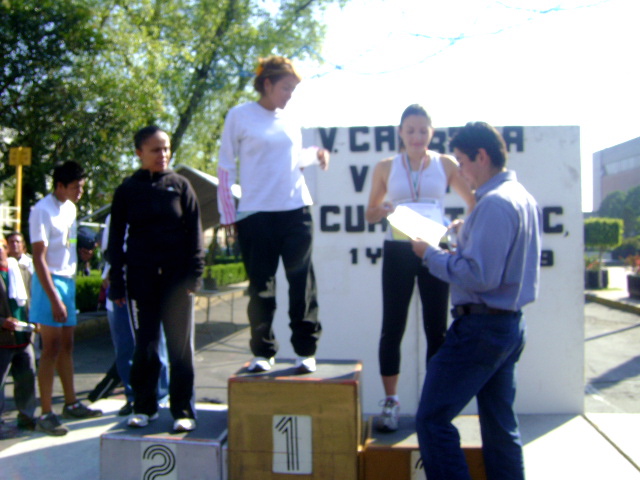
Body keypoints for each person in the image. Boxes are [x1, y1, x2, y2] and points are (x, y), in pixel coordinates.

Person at [411, 122, 541, 480]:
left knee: (432, 419)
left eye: (462, 162)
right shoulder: (521, 197)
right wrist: (464, 234)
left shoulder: (494, 204)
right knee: (500, 428)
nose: (460, 172)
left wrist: (429, 253)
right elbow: (494, 267)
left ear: (481, 156)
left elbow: (480, 276)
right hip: (508, 325)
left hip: (480, 329)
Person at [217, 55, 330, 374]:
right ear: (266, 84)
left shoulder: (291, 118)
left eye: (293, 89)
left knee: (301, 283)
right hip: (256, 214)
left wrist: (316, 155)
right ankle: (263, 351)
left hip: (296, 210)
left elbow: (293, 160)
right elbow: (225, 166)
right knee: (261, 288)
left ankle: (306, 350)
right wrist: (228, 214)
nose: (290, 95)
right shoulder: (240, 116)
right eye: (285, 88)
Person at [365, 104, 475, 432]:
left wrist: (460, 223)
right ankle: (391, 402)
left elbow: (473, 201)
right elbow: (369, 213)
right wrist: (384, 209)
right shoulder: (386, 166)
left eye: (423, 130)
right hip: (398, 250)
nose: (417, 137)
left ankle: (433, 404)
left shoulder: (446, 164)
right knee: (392, 327)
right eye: (410, 130)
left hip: (434, 250)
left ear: (431, 133)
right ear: (400, 132)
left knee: (436, 328)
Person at [108, 126, 204, 432]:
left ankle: (183, 411)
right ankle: (144, 406)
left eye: (166, 148)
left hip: (177, 282)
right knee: (146, 347)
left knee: (179, 349)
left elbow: (195, 234)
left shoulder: (181, 186)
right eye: (155, 150)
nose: (163, 155)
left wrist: (195, 276)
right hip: (141, 281)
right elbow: (115, 240)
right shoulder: (127, 190)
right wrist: (117, 282)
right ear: (139, 153)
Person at [29, 161, 102, 436]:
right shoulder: (41, 210)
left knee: (67, 345)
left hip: (68, 281)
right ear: (59, 185)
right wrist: (54, 298)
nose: (79, 192)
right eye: (75, 187)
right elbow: (39, 258)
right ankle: (46, 413)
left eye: (81, 187)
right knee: (50, 348)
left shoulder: (71, 208)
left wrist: (80, 253)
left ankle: (71, 403)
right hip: (48, 282)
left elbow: (67, 243)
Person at [96, 214, 169, 416]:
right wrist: (111, 276)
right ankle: (132, 397)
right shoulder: (114, 217)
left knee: (156, 343)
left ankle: (161, 395)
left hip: (149, 282)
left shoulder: (155, 208)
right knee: (124, 346)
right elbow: (108, 252)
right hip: (121, 284)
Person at [0, 234, 36, 434]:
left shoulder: (22, 270)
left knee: (27, 379)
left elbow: (32, 296)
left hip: (24, 336)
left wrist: (36, 319)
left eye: (1, 246)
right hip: (2, 339)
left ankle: (26, 416)